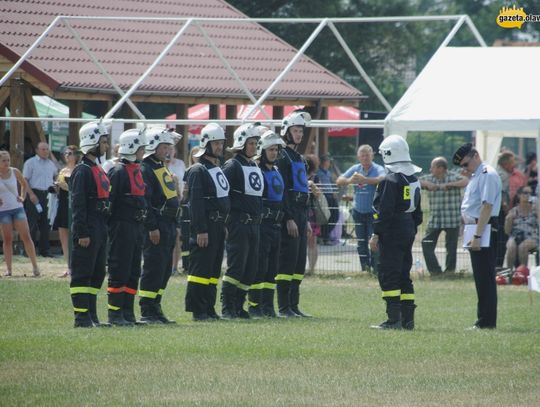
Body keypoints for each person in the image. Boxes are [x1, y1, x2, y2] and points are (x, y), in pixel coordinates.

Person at [369, 135, 422, 330]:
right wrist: (411, 228)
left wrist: (376, 234)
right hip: (407, 227)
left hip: (392, 230)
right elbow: (418, 212)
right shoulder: (414, 178)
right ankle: (408, 319)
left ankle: (393, 320)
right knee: (403, 273)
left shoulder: (390, 181)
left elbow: (385, 211)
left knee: (389, 273)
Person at [453, 143, 501, 330]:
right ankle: (483, 320)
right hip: (476, 227)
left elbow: (487, 206)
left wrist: (478, 235)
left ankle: (486, 322)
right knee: (481, 277)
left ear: (475, 156)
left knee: (485, 277)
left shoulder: (487, 174)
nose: (464, 169)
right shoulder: (477, 175)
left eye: (466, 164)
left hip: (484, 227)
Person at [184, 124, 230, 321]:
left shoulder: (216, 167)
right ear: (206, 144)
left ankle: (209, 308)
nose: (220, 147)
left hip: (218, 226)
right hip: (206, 227)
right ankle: (198, 310)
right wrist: (201, 230)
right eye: (216, 143)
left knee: (213, 270)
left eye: (221, 143)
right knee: (200, 270)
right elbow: (195, 203)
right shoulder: (197, 170)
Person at [69, 121, 111, 328]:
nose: (106, 146)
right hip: (88, 227)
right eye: (103, 142)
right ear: (92, 142)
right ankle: (81, 318)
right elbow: (78, 204)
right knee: (83, 272)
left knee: (97, 273)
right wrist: (82, 232)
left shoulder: (96, 167)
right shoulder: (82, 170)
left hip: (100, 226)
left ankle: (92, 316)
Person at [139, 127, 182, 324]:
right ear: (153, 146)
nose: (168, 150)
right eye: (164, 146)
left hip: (168, 224)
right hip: (157, 225)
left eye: (169, 146)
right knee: (153, 268)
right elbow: (145, 201)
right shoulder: (146, 169)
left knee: (164, 269)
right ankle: (147, 310)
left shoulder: (160, 166)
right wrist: (152, 227)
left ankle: (156, 306)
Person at [221, 123, 263, 319]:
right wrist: (227, 222)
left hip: (254, 225)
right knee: (236, 266)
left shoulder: (253, 164)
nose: (254, 147)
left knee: (251, 267)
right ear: (241, 143)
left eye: (256, 143)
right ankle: (227, 306)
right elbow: (223, 194)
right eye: (251, 143)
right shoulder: (232, 165)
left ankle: (239, 305)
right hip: (238, 223)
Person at [106, 129, 148, 326]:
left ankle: (128, 314)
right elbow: (110, 203)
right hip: (122, 227)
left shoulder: (136, 170)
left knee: (133, 270)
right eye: (141, 148)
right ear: (132, 148)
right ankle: (115, 314)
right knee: (119, 268)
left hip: (136, 227)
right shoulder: (118, 171)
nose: (143, 152)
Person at [276, 111, 313, 318]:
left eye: (301, 130)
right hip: (289, 216)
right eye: (296, 130)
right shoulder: (282, 156)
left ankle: (294, 305)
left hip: (301, 214)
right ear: (286, 131)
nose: (299, 134)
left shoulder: (299, 157)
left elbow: (302, 190)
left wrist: (305, 219)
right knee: (287, 261)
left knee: (299, 262)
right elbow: (282, 190)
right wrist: (288, 217)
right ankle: (283, 307)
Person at [336, 144, 384, 274]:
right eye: (362, 155)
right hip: (358, 211)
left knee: (373, 242)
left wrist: (365, 179)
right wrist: (349, 180)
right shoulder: (355, 168)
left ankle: (376, 269)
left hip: (373, 213)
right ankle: (365, 268)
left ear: (372, 155)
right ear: (358, 157)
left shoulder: (378, 168)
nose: (365, 158)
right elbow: (339, 180)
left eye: (367, 155)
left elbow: (382, 179)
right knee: (361, 243)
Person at [253, 130, 285, 317]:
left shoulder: (276, 170)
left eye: (276, 149)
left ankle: (268, 306)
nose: (274, 153)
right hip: (263, 224)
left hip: (276, 224)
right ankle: (255, 305)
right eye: (270, 149)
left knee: (273, 267)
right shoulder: (257, 170)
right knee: (261, 266)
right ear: (262, 151)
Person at [420, 157, 468, 278]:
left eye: (433, 167)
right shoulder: (429, 178)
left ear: (441, 168)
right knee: (426, 243)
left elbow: (466, 181)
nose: (430, 169)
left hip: (451, 219)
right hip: (435, 218)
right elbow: (416, 182)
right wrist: (428, 185)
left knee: (451, 248)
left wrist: (450, 185)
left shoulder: (453, 177)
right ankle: (435, 271)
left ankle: (449, 272)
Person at [0, 150, 40, 277]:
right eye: (3, 160)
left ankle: (35, 267)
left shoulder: (14, 171)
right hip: (3, 210)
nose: (6, 163)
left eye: (8, 160)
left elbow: (24, 183)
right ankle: (9, 269)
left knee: (26, 237)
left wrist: (23, 197)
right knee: (7, 239)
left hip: (17, 208)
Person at [22, 141, 58, 257]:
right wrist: (31, 194)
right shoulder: (30, 163)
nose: (46, 151)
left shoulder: (51, 164)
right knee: (32, 223)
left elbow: (56, 176)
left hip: (47, 194)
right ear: (37, 150)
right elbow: (25, 180)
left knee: (45, 224)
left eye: (47, 149)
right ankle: (29, 250)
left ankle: (45, 250)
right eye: (43, 149)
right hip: (34, 193)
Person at [496, 151, 526, 268]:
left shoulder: (509, 174)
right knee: (502, 241)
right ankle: (500, 268)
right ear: (505, 164)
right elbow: (502, 194)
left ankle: (509, 268)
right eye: (512, 162)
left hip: (511, 211)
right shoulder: (501, 175)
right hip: (504, 212)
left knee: (509, 240)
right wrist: (505, 207)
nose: (515, 164)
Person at [53, 145, 79, 278]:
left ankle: (76, 266)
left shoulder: (79, 170)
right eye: (66, 153)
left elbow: (77, 190)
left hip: (74, 206)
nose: (67, 155)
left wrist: (66, 186)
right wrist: (57, 186)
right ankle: (68, 266)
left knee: (74, 235)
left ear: (76, 155)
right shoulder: (62, 170)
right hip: (63, 204)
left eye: (70, 153)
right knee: (63, 235)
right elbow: (60, 188)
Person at [504, 186, 538, 269]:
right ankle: (509, 273)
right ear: (519, 195)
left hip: (532, 237)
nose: (528, 195)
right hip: (515, 236)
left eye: (530, 193)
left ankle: (522, 273)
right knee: (511, 246)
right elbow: (507, 231)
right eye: (525, 193)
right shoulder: (514, 210)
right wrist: (508, 220)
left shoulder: (535, 210)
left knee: (523, 246)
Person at [179, 146, 201, 274]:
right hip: (188, 207)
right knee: (186, 237)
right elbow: (185, 191)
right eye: (194, 154)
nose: (197, 156)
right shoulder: (189, 171)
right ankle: (186, 265)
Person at [166, 145, 186, 275]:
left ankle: (174, 266)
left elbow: (183, 183)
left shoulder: (180, 164)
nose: (169, 151)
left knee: (177, 235)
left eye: (172, 148)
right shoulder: (161, 165)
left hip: (178, 202)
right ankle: (166, 265)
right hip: (166, 204)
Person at [316, 154, 339, 243]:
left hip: (331, 196)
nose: (330, 163)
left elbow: (334, 181)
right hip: (324, 197)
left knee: (335, 216)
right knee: (325, 217)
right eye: (328, 161)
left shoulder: (328, 172)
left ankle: (326, 234)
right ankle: (324, 236)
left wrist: (333, 191)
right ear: (324, 162)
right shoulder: (318, 172)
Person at [305, 154, 322, 274]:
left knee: (312, 241)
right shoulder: (298, 177)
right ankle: (307, 268)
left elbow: (318, 194)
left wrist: (312, 185)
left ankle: (311, 269)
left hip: (312, 212)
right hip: (305, 212)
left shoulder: (315, 178)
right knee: (308, 242)